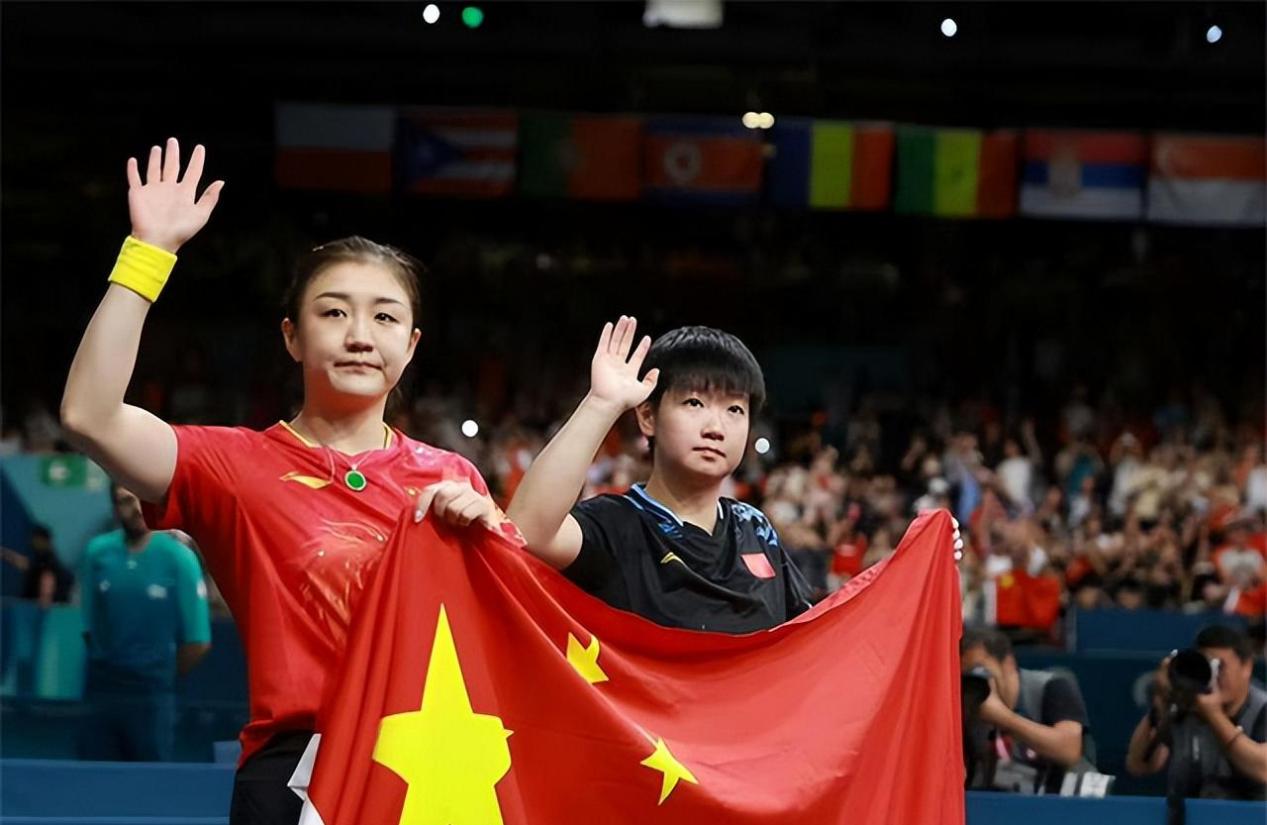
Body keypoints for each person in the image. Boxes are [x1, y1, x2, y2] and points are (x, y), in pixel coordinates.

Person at [60, 139, 502, 823]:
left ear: (411, 345)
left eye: (385, 316)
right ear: (292, 337)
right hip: (298, 774)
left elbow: (498, 639)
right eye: (334, 312)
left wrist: (488, 534)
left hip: (429, 774)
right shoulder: (234, 466)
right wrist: (149, 252)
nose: (360, 335)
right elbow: (90, 415)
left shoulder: (453, 476)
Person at [508, 318, 814, 633]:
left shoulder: (755, 529)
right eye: (694, 403)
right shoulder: (616, 525)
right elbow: (526, 532)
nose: (716, 428)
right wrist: (601, 404)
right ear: (648, 417)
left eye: (734, 409)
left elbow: (807, 640)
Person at [79, 484, 211, 761]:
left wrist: (159, 675)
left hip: (153, 692)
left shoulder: (179, 557)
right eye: (126, 501)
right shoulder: (96, 553)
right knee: (93, 775)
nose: (137, 508)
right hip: (102, 689)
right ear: (115, 507)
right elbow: (89, 627)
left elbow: (198, 642)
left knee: (150, 777)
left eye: (143, 499)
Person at [1125, 624, 1267, 800]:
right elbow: (1139, 765)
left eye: (1220, 667)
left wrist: (1213, 715)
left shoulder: (1262, 708)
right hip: (1189, 812)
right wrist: (1161, 704)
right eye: (1207, 666)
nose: (1213, 676)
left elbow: (1263, 770)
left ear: (1246, 667)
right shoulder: (1187, 705)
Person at [960, 627, 1093, 794]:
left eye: (980, 671)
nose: (976, 684)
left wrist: (1002, 717)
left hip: (1052, 801)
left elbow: (1069, 750)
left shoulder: (1051, 686)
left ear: (1008, 663)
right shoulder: (967, 701)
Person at [1, 525, 74, 607]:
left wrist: (45, 599)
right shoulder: (39, 558)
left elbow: (47, 578)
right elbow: (25, 564)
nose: (33, 541)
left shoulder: (48, 560)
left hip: (45, 608)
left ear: (43, 540)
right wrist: (4, 553)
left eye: (36, 539)